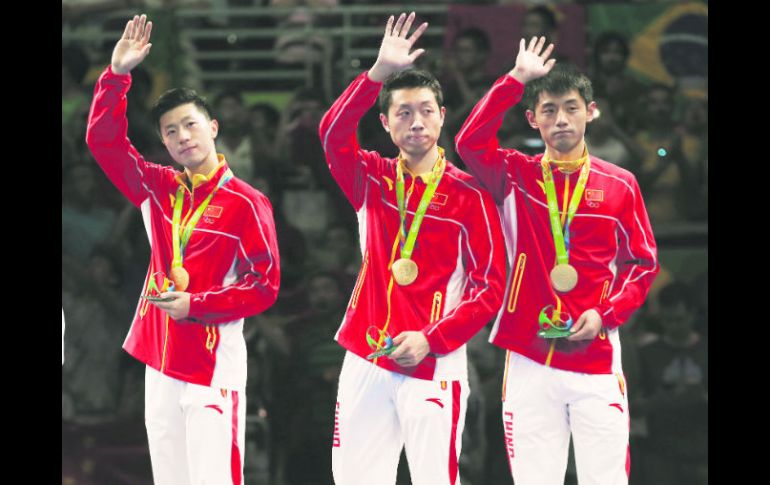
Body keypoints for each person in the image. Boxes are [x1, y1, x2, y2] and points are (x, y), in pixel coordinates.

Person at [85, 14, 280, 484]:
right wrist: (116, 76)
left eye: (190, 125)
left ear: (212, 127)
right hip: (160, 360)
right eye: (170, 132)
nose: (182, 137)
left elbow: (265, 286)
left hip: (213, 364)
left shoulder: (248, 203)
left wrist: (197, 304)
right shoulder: (158, 187)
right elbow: (103, 141)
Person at [455, 36, 659, 485]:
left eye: (571, 107)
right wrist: (515, 80)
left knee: (605, 479)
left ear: (592, 111)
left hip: (596, 355)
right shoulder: (515, 175)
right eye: (548, 110)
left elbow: (641, 264)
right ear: (532, 119)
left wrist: (604, 315)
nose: (561, 119)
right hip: (529, 354)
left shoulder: (619, 185)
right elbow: (469, 142)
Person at [318, 12, 506, 485]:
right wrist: (376, 73)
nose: (416, 121)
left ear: (443, 116)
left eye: (426, 110)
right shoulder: (371, 179)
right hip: (366, 353)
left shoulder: (471, 196)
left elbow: (490, 288)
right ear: (384, 122)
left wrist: (432, 338)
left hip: (434, 359)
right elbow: (332, 134)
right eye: (403, 112)